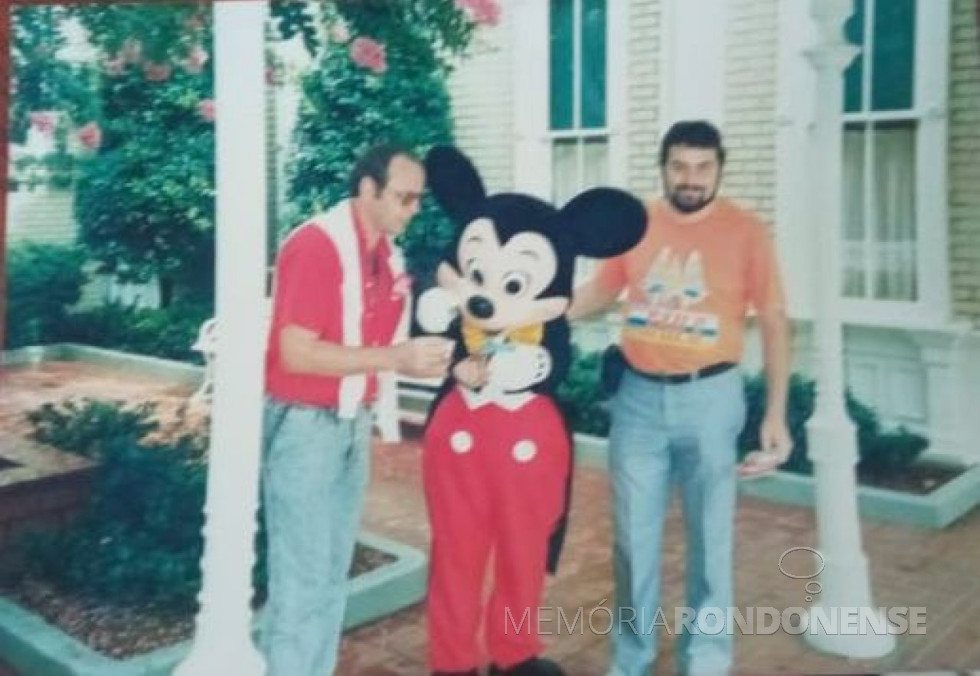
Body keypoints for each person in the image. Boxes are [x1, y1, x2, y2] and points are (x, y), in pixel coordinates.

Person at [568, 121, 793, 676]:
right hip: (639, 403)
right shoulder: (636, 224)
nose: (690, 178)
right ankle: (632, 659)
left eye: (702, 167)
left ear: (719, 167)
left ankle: (708, 660)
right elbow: (602, 290)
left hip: (711, 400)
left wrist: (777, 415)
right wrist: (533, 309)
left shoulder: (746, 232)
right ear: (663, 166)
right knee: (632, 543)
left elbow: (774, 318)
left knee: (711, 543)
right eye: (679, 166)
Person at [260, 143, 453, 676]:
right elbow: (295, 352)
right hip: (304, 424)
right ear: (368, 190)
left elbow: (376, 345)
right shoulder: (316, 246)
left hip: (349, 423)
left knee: (328, 575)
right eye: (404, 197)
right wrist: (395, 357)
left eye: (419, 199)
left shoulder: (386, 256)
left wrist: (430, 361)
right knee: (300, 582)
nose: (413, 209)